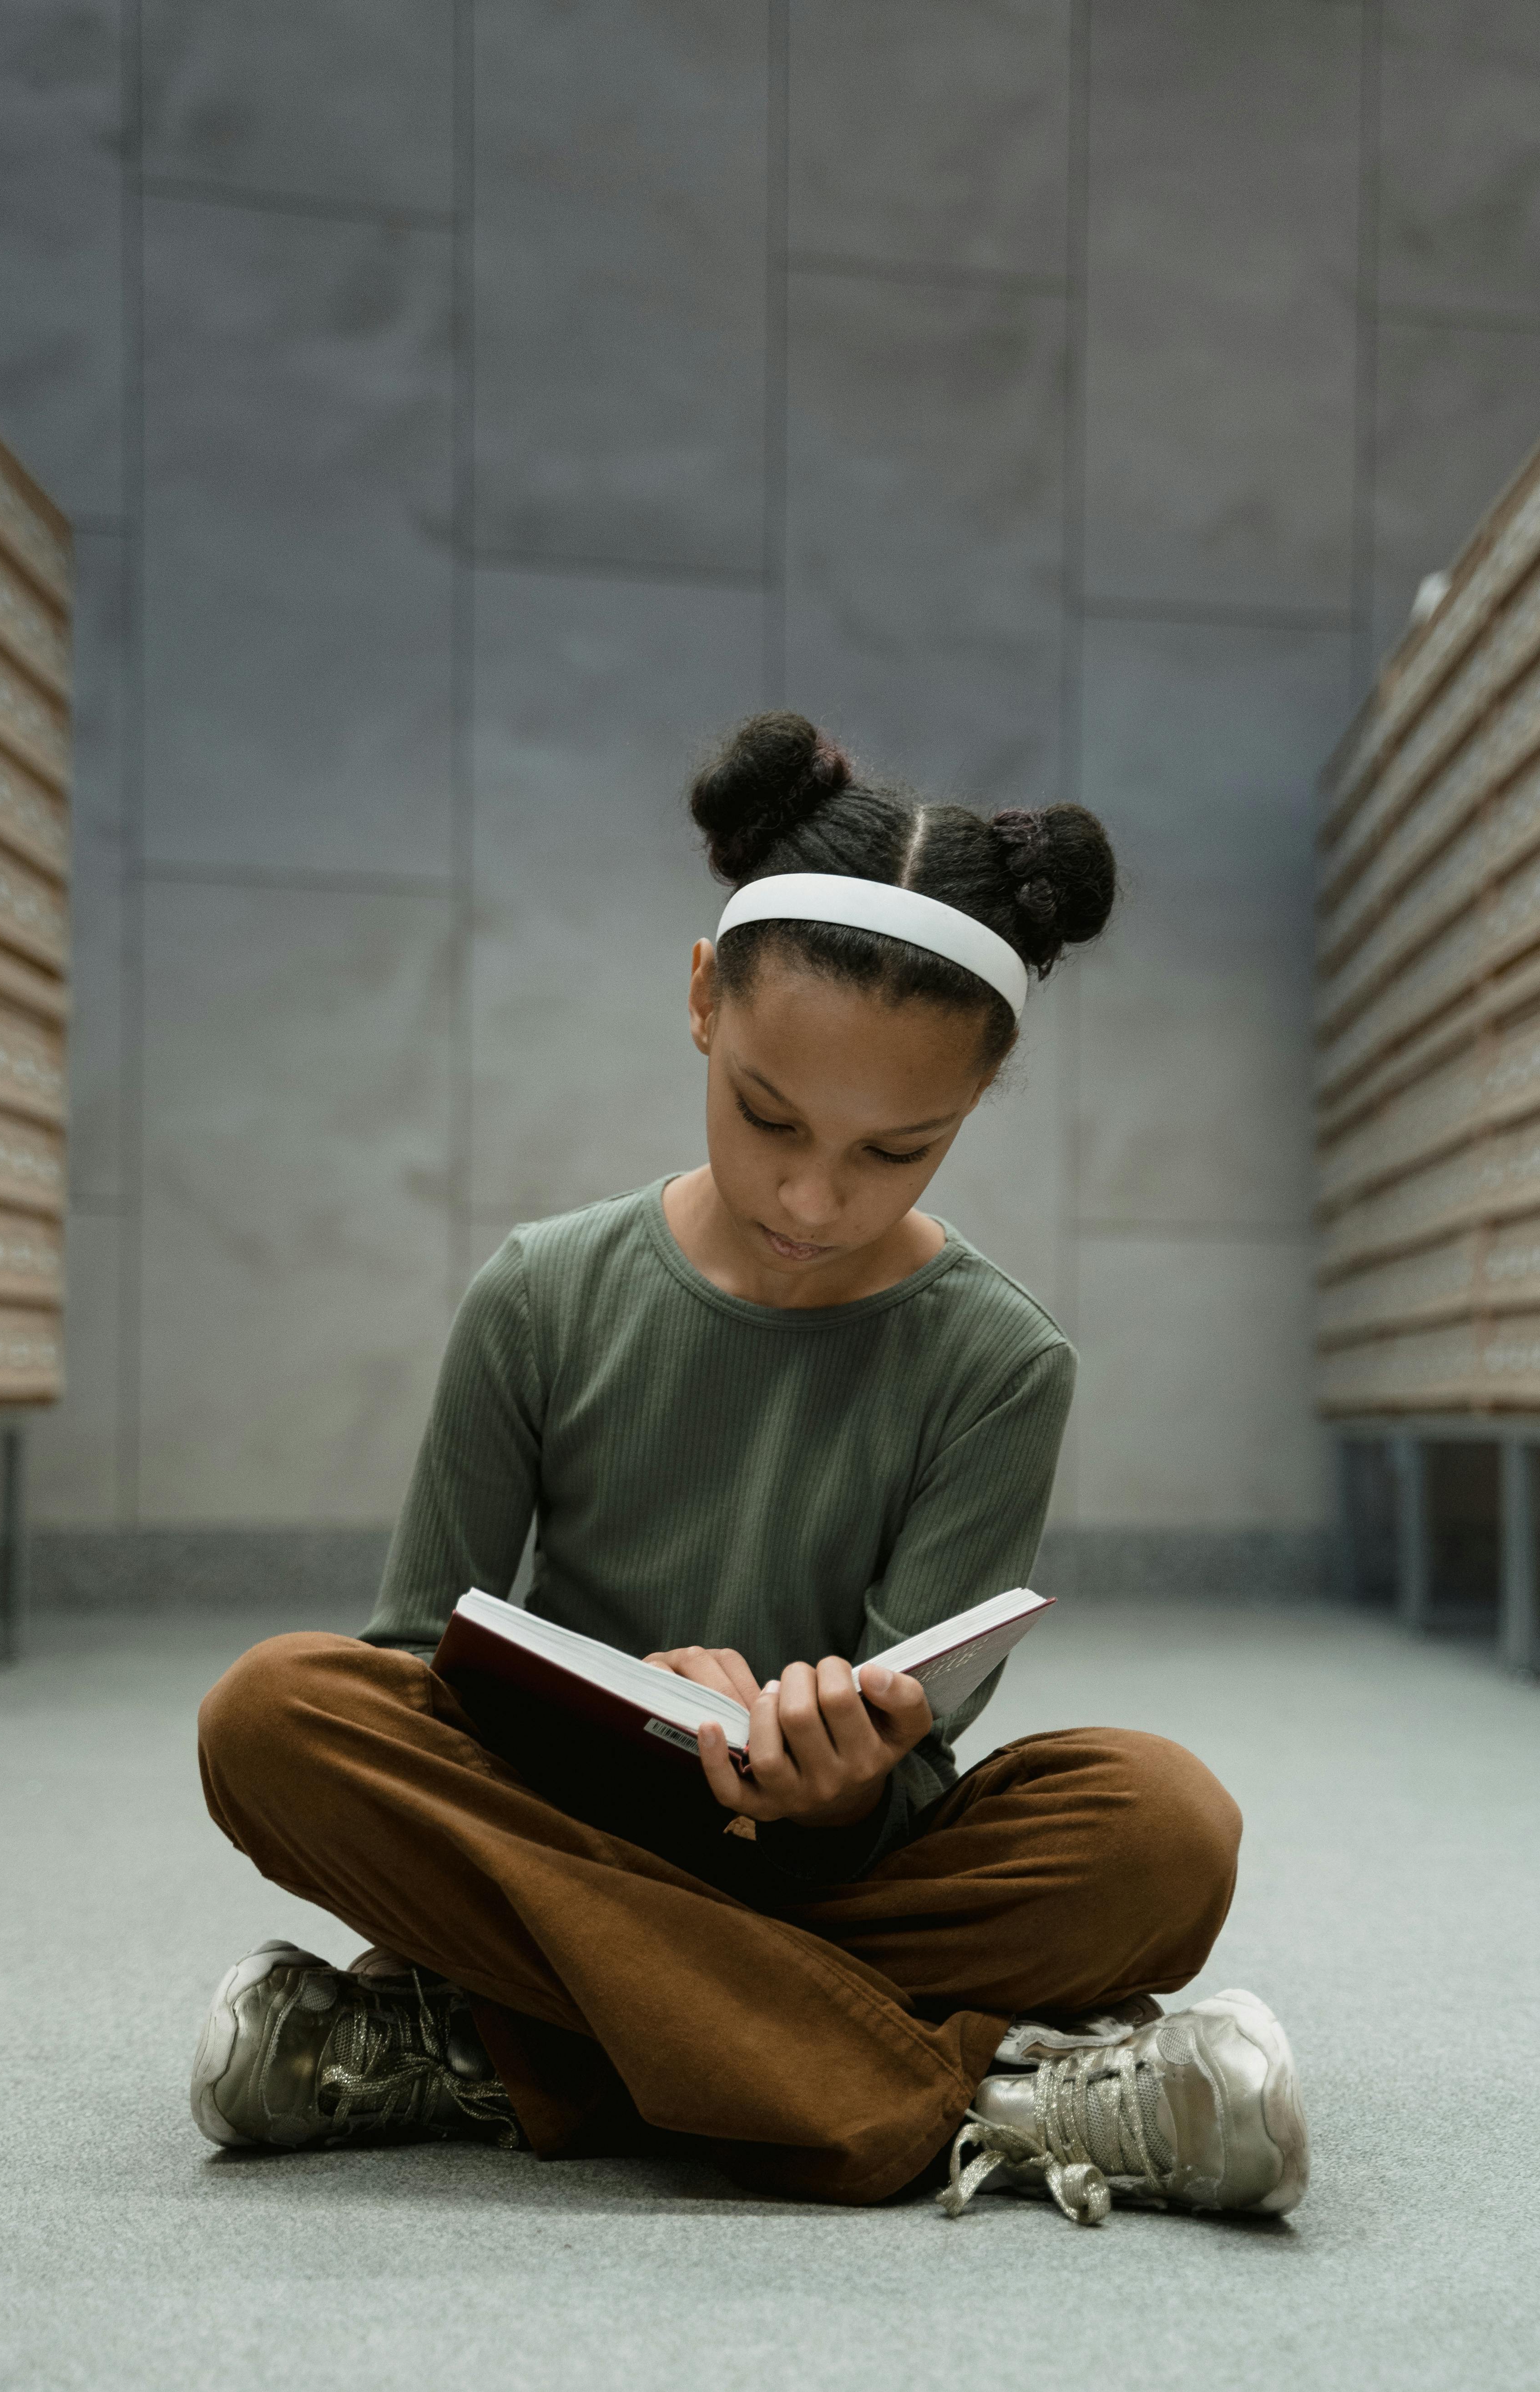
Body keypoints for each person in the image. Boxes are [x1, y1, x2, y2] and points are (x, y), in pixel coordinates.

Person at [192, 713, 1309, 2225]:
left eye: (893, 1150)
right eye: (770, 1118)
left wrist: (832, 1786)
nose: (811, 1194)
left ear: (976, 1099)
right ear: (704, 1000)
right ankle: (979, 2097)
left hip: (830, 1872)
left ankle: (490, 2045)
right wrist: (624, 1696)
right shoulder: (538, 1293)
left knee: (1165, 1826)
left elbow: (919, 1750)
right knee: (277, 1713)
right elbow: (412, 1666)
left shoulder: (999, 1361)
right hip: (555, 1825)